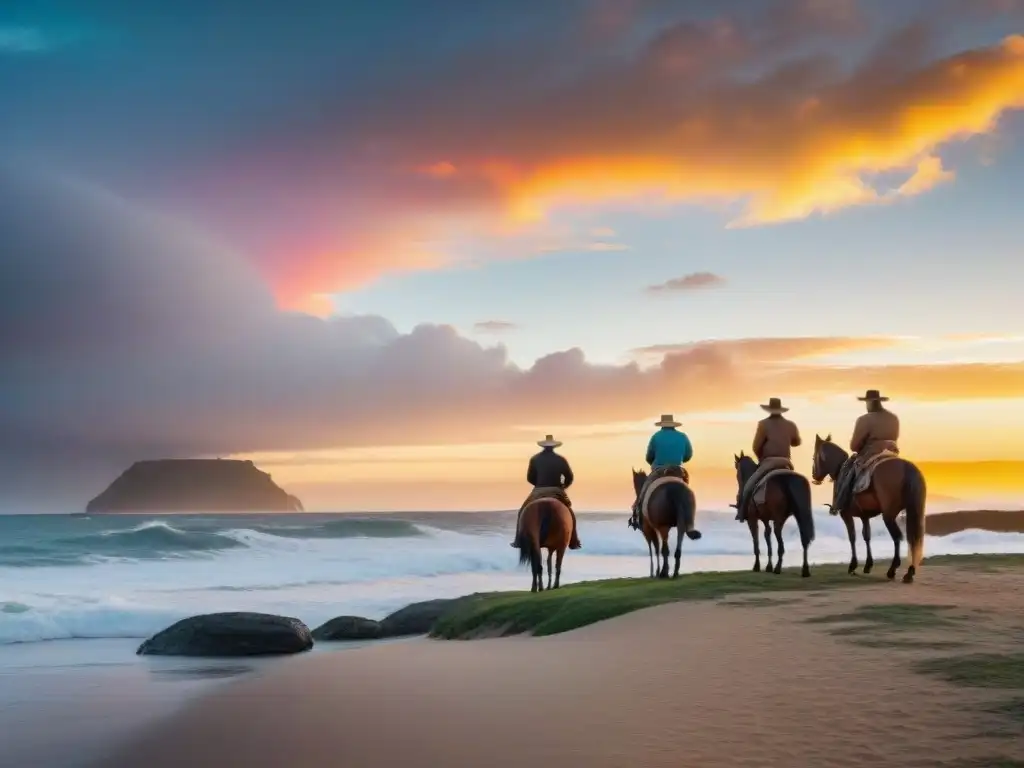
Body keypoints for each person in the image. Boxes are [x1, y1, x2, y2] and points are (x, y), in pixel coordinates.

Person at [833, 389, 900, 512]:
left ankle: (839, 503)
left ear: (869, 403)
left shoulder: (865, 419)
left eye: (867, 403)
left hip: (871, 453)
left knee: (846, 469)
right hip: (892, 453)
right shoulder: (893, 418)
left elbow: (854, 446)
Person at [735, 398, 802, 521]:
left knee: (749, 485)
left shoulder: (763, 424)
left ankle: (742, 511)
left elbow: (756, 446)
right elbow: (797, 442)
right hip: (786, 463)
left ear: (769, 410)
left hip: (768, 462)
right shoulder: (790, 425)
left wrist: (761, 457)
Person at [510, 434, 581, 549]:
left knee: (522, 511)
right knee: (569, 511)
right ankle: (573, 540)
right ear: (554, 447)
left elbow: (529, 478)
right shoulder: (561, 459)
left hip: (538, 490)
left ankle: (518, 540)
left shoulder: (535, 459)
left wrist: (538, 484)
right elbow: (569, 477)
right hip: (556, 489)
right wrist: (563, 486)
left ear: (543, 447)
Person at [630, 414, 694, 528]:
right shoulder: (683, 436)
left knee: (645, 489)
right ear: (673, 425)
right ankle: (689, 519)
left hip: (659, 470)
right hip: (678, 470)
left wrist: (654, 463)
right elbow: (688, 455)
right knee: (687, 490)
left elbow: (649, 456)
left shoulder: (656, 436)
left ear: (662, 425)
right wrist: (679, 459)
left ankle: (637, 513)